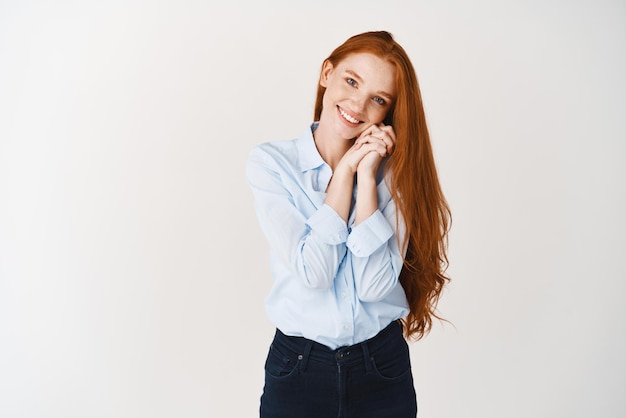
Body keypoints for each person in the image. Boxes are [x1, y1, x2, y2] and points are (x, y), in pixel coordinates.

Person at [246, 30, 451, 418]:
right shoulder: (272, 165)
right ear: (327, 73)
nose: (357, 104)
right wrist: (343, 176)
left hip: (381, 368)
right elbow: (316, 272)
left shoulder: (395, 175)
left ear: (387, 113)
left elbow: (375, 286)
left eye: (378, 99)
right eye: (351, 81)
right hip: (298, 369)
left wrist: (367, 178)